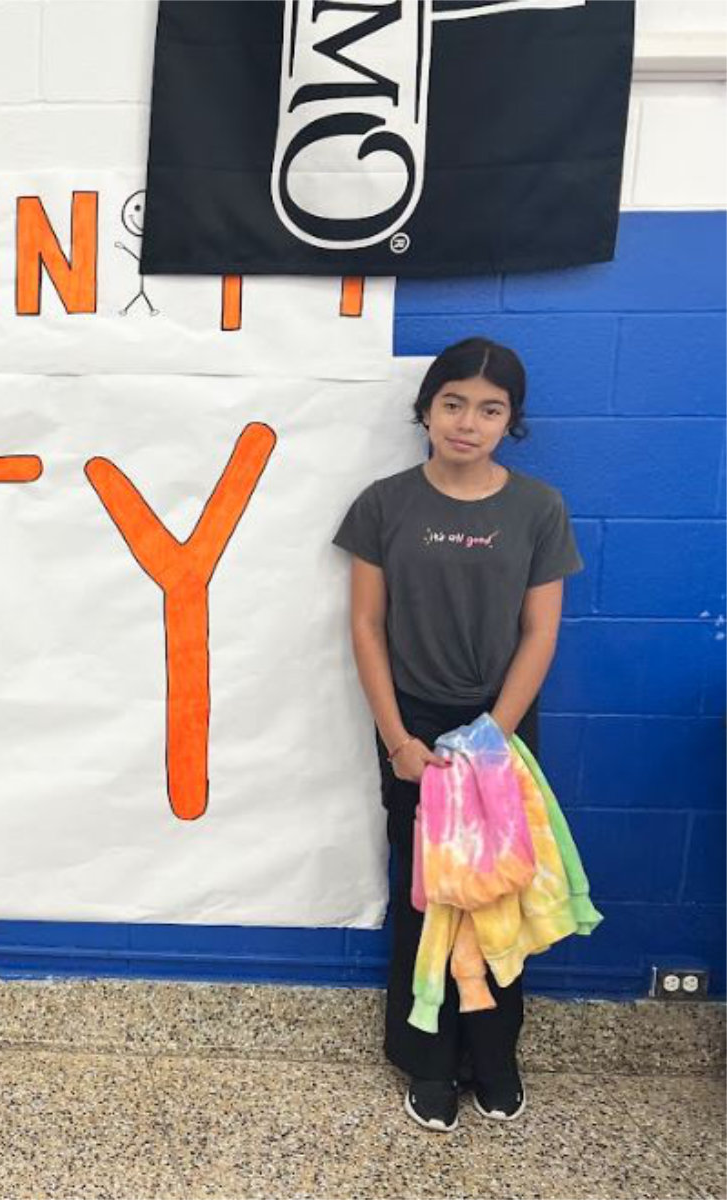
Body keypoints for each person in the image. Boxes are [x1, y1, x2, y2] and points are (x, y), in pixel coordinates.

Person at [335, 337, 581, 1132]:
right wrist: (398, 739)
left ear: (511, 421)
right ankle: (428, 1060)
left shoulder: (537, 508)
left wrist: (493, 736)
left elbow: (539, 633)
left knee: (496, 889)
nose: (467, 422)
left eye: (488, 408)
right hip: (412, 730)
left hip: (498, 728)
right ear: (425, 410)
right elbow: (366, 627)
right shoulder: (383, 504)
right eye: (452, 403)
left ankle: (494, 1054)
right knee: (425, 891)